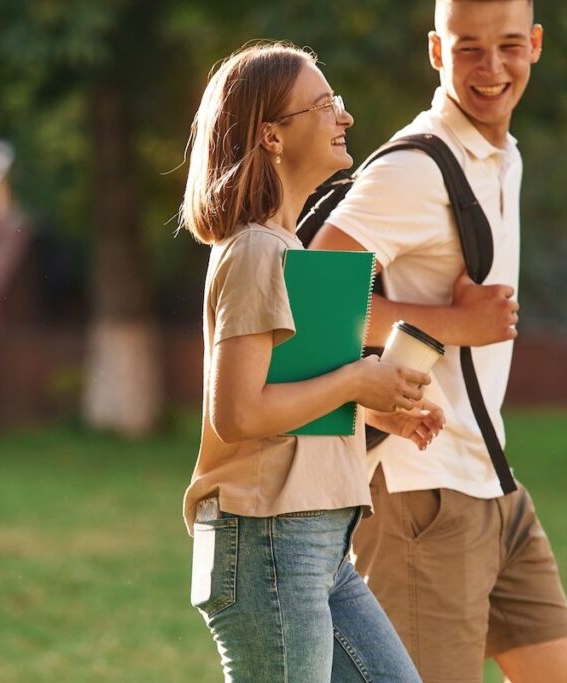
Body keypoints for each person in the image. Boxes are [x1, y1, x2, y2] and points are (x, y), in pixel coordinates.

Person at [309, 2, 567, 682]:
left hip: (495, 485)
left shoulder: (502, 155)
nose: (491, 68)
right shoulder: (416, 169)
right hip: (421, 498)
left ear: (535, 44)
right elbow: (311, 295)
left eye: (508, 47)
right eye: (469, 49)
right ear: (437, 50)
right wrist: (460, 325)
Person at [180, 42, 446, 682]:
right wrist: (358, 377)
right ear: (271, 134)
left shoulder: (287, 249)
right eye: (325, 104)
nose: (344, 118)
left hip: (317, 543)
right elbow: (240, 412)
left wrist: (376, 407)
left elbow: (293, 400)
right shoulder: (253, 252)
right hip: (269, 540)